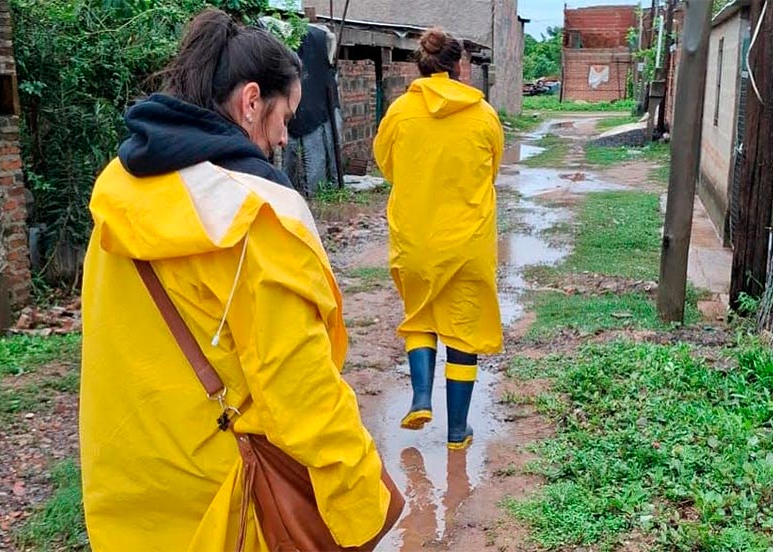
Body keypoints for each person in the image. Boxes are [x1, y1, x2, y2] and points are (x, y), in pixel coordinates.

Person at [80, 9, 394, 551]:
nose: (284, 137)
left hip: (129, 492)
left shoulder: (118, 191)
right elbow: (301, 388)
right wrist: (361, 498)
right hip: (225, 502)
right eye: (285, 116)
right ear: (251, 102)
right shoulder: (256, 217)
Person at [373, 27, 504, 450]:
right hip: (468, 242)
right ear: (460, 65)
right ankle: (456, 431)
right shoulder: (483, 115)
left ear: (421, 65)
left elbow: (386, 165)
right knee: (463, 330)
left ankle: (421, 397)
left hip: (415, 239)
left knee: (420, 315)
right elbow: (492, 168)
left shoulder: (399, 113)